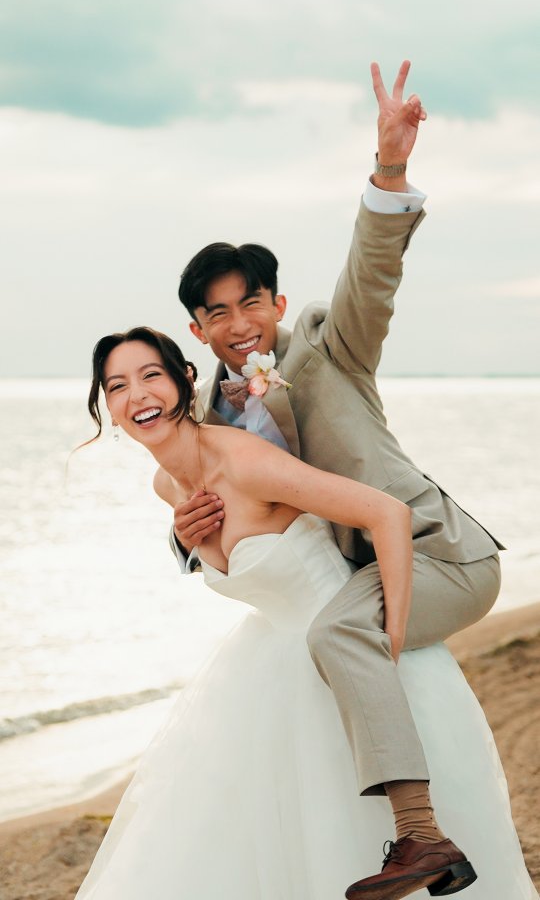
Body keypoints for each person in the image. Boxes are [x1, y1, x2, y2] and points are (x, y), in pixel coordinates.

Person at [170, 62, 505, 896]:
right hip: (364, 574)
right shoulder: (208, 426)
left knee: (336, 635)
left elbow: (373, 275)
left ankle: (421, 841)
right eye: (217, 313)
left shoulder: (330, 347)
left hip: (440, 555)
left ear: (278, 305)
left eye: (252, 303)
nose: (238, 325)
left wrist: (389, 169)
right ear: (197, 329)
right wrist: (186, 542)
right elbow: (212, 510)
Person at [75, 328, 537, 900]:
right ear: (107, 408)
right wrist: (181, 542)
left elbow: (386, 514)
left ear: (185, 381)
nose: (136, 394)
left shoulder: (244, 460)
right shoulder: (165, 486)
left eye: (150, 375)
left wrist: (390, 638)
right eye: (116, 385)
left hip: (351, 656)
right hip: (267, 668)